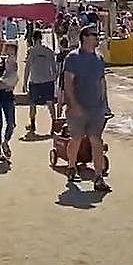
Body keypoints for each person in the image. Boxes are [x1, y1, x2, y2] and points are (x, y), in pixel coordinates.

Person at [62, 25, 111, 193]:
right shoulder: (73, 58)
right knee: (76, 139)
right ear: (85, 37)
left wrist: (106, 105)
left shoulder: (99, 59)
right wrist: (73, 105)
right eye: (94, 35)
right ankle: (71, 166)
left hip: (96, 108)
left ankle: (98, 177)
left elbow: (102, 82)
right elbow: (67, 82)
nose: (97, 38)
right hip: (77, 107)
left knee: (96, 141)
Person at [23, 30, 58, 134]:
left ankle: (33, 125)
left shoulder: (32, 52)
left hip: (35, 81)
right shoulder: (49, 51)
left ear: (33, 39)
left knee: (33, 104)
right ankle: (54, 125)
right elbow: (54, 68)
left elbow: (27, 68)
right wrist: (53, 79)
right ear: (41, 38)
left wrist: (24, 83)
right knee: (50, 104)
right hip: (47, 81)